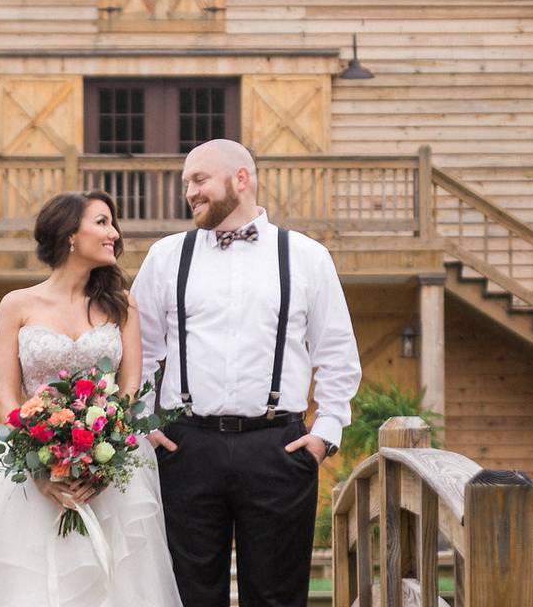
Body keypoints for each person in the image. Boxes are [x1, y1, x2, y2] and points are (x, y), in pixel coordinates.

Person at [131, 139, 362, 607]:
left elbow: (336, 353)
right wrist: (143, 425)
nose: (189, 192)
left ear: (241, 179)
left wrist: (325, 433)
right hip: (186, 446)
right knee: (189, 594)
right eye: (185, 184)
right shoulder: (166, 257)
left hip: (278, 446)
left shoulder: (307, 257)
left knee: (277, 596)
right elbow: (139, 350)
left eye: (198, 180)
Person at [0, 191, 182, 607]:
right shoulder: (16, 305)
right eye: (102, 223)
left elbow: (130, 390)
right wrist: (41, 469)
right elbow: (8, 398)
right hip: (30, 468)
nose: (114, 234)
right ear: (70, 234)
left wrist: (104, 462)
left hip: (111, 469)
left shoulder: (122, 304)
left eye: (112, 224)